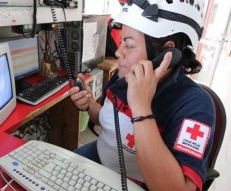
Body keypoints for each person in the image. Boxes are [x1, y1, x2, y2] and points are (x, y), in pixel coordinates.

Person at [68, 0, 215, 190]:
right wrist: (90, 104)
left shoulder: (196, 105)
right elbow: (107, 121)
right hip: (101, 162)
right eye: (121, 42)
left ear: (165, 52)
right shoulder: (123, 77)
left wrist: (142, 108)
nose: (119, 53)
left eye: (128, 45)